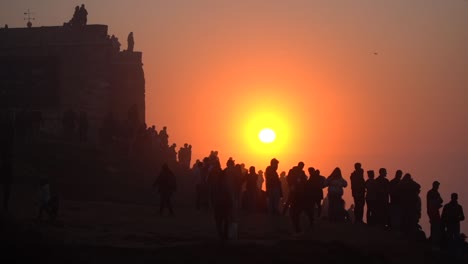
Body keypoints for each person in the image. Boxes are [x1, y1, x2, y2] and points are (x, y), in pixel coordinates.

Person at [427, 181, 443, 247]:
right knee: (434, 227)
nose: (438, 187)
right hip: (432, 212)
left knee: (436, 227)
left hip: (435, 212)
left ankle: (435, 241)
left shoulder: (436, 193)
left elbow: (441, 200)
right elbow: (431, 204)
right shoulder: (431, 193)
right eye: (437, 186)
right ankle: (433, 242)